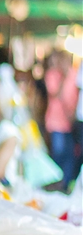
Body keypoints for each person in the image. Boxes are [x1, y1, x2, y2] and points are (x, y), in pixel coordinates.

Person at [44, 51, 81, 189]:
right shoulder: (52, 75)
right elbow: (55, 94)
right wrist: (63, 78)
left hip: (71, 122)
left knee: (71, 155)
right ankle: (56, 183)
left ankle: (66, 183)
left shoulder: (75, 74)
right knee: (58, 154)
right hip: (55, 122)